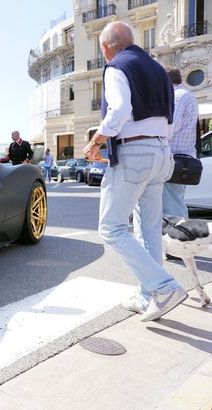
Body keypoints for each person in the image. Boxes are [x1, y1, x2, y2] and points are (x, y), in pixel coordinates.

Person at [82, 21, 186, 322]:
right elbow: (170, 121)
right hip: (161, 152)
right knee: (149, 229)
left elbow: (119, 111)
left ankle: (164, 286)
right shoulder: (159, 72)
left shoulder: (117, 67)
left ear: (106, 48)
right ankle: (147, 296)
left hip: (135, 153)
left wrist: (94, 142)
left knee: (111, 228)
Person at [162, 67, 198, 219]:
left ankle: (178, 237)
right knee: (177, 201)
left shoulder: (176, 96)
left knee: (171, 205)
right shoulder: (188, 95)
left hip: (173, 158)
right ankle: (183, 236)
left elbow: (170, 127)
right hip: (184, 158)